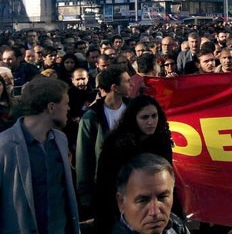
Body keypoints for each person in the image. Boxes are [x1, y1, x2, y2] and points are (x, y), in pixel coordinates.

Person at [0, 77, 80, 233]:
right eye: (65, 103)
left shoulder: (61, 140)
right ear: (51, 107)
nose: (69, 108)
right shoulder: (4, 147)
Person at [94, 95, 180, 232]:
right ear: (134, 118)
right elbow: (105, 184)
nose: (151, 122)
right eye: (144, 117)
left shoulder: (162, 141)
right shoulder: (116, 145)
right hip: (122, 210)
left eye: (154, 116)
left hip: (156, 209)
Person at [76, 65, 132, 219]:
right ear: (115, 87)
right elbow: (83, 158)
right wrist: (86, 196)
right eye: (127, 82)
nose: (132, 84)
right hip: (105, 188)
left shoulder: (134, 109)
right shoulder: (91, 117)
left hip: (134, 183)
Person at [113, 153, 190, 234]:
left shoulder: (177, 226)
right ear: (121, 202)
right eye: (143, 200)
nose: (155, 212)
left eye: (162, 197)